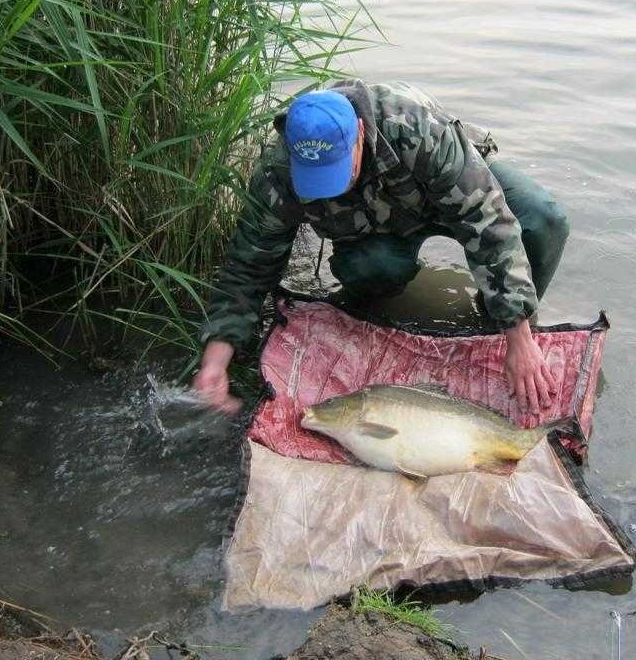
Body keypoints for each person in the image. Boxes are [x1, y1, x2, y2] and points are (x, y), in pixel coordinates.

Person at [193, 79, 569, 414]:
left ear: (360, 133)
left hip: (446, 192)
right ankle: (385, 309)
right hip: (380, 227)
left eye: (337, 171)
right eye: (316, 180)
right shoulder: (280, 172)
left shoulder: (417, 128)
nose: (330, 189)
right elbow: (249, 265)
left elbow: (487, 224)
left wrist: (518, 334)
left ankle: (497, 317)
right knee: (371, 268)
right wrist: (216, 358)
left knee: (544, 218)